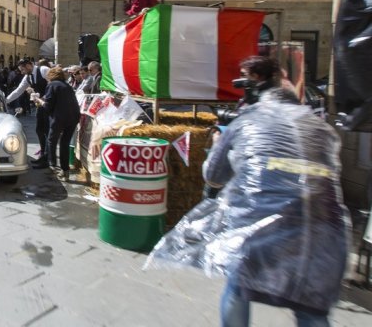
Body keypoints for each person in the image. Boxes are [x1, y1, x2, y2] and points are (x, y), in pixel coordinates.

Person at [147, 56, 350, 327]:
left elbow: (213, 176)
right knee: (311, 308)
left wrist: (219, 144)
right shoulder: (319, 126)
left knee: (239, 287)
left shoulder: (247, 120)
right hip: (324, 229)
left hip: (260, 224)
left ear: (256, 85)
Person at [31, 66, 81, 179]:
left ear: (51, 76)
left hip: (59, 118)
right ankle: (65, 171)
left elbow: (48, 106)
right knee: (65, 143)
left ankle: (52, 165)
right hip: (73, 117)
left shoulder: (52, 85)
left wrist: (39, 100)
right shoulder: (67, 85)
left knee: (51, 140)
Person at [6, 59, 50, 166]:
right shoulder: (28, 77)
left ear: (29, 65)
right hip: (40, 105)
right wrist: (4, 100)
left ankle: (48, 159)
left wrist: (45, 96)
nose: (22, 72)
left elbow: (55, 83)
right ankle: (43, 155)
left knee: (48, 132)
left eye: (23, 69)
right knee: (39, 130)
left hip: (50, 105)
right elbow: (18, 91)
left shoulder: (43, 70)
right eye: (21, 70)